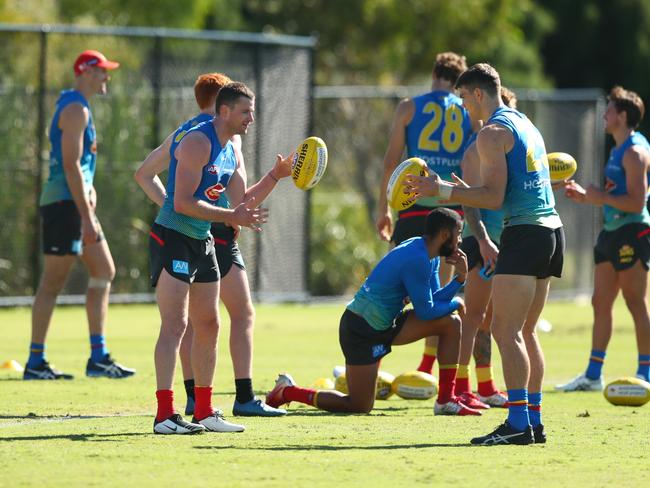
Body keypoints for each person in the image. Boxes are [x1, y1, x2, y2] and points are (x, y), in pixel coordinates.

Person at [405, 63, 564, 445]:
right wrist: (462, 190)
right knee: (524, 331)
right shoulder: (525, 122)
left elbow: (493, 197)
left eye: (463, 99)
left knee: (505, 331)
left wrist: (442, 189)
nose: (462, 107)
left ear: (477, 94)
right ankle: (533, 421)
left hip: (524, 232)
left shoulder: (491, 133)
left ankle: (516, 424)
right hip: (552, 230)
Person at [135, 73, 286, 417]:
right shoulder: (196, 140)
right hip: (179, 236)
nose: (251, 118)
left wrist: (276, 175)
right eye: (246, 110)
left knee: (208, 324)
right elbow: (185, 201)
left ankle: (202, 409)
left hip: (204, 235)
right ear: (223, 107)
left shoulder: (229, 147)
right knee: (177, 325)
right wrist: (180, 211)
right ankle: (166, 413)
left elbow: (241, 203)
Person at [265, 208, 482, 416]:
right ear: (445, 235)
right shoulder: (417, 258)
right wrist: (456, 301)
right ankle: (288, 391)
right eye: (459, 234)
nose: (460, 240)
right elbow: (426, 312)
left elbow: (434, 302)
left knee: (451, 323)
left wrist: (460, 279)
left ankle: (445, 401)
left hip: (388, 324)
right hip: (360, 330)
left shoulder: (430, 255)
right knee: (358, 405)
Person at [24, 50, 135, 380]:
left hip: (76, 203)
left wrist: (90, 194)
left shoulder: (80, 107)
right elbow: (71, 166)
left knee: (104, 270)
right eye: (102, 71)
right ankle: (35, 361)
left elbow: (80, 168)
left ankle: (98, 358)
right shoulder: (74, 108)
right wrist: (85, 215)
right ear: (85, 71)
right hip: (65, 205)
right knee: (52, 283)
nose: (106, 78)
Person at [375, 51, 473, 376]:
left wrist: (384, 208)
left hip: (414, 205)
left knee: (394, 289)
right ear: (459, 81)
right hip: (450, 206)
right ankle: (427, 368)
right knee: (440, 290)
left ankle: (371, 356)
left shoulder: (409, 106)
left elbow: (391, 162)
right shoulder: (469, 111)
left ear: (434, 73)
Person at [556, 86, 650, 390]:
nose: (604, 115)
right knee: (600, 302)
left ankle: (646, 373)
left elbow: (637, 203)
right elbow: (611, 196)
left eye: (609, 110)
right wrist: (587, 197)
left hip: (631, 232)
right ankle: (593, 375)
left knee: (635, 302)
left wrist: (601, 196)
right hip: (610, 232)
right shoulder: (617, 149)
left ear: (622, 116)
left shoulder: (635, 152)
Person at [454, 87, 518, 409]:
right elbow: (467, 202)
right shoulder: (473, 152)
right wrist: (481, 240)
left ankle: (486, 386)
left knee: (490, 320)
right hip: (480, 241)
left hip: (501, 241)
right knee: (472, 316)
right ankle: (459, 387)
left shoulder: (506, 151)